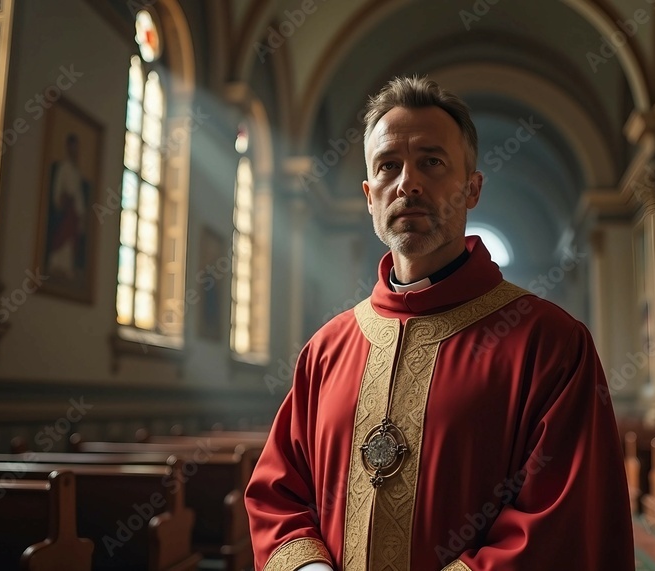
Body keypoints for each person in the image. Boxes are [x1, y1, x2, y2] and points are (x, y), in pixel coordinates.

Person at [245, 76, 634, 570]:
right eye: (388, 166)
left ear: (472, 188)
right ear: (369, 196)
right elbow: (279, 491)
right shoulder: (327, 349)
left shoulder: (551, 343)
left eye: (431, 161)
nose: (407, 182)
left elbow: (562, 515)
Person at [46, 133, 89, 280]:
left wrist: (81, 213)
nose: (74, 150)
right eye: (72, 147)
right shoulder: (64, 168)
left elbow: (79, 196)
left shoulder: (76, 172)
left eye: (76, 148)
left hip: (74, 212)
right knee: (62, 237)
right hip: (66, 208)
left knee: (72, 242)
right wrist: (61, 202)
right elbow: (58, 189)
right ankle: (57, 265)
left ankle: (67, 268)